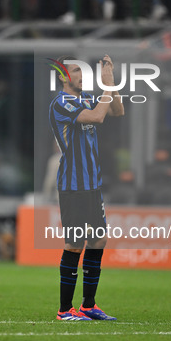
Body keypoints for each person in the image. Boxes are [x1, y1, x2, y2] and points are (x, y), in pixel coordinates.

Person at [49, 55, 124, 321]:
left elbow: (117, 111)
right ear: (62, 76)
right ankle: (64, 309)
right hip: (73, 185)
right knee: (74, 244)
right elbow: (97, 117)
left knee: (98, 240)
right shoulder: (61, 103)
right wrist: (105, 88)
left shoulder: (85, 99)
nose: (81, 75)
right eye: (75, 71)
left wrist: (111, 84)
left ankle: (88, 305)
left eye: (83, 71)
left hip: (92, 184)